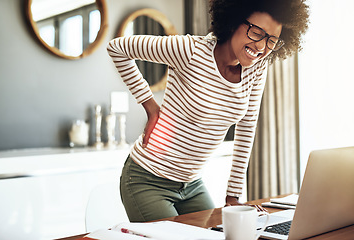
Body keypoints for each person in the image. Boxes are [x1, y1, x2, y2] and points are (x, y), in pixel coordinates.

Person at [107, 0, 309, 222]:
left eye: (271, 40)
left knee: (220, 234)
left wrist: (233, 196)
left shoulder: (257, 66)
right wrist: (150, 106)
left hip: (192, 185)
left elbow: (247, 126)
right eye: (256, 32)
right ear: (233, 22)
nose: (261, 47)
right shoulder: (189, 51)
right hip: (147, 178)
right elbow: (117, 48)